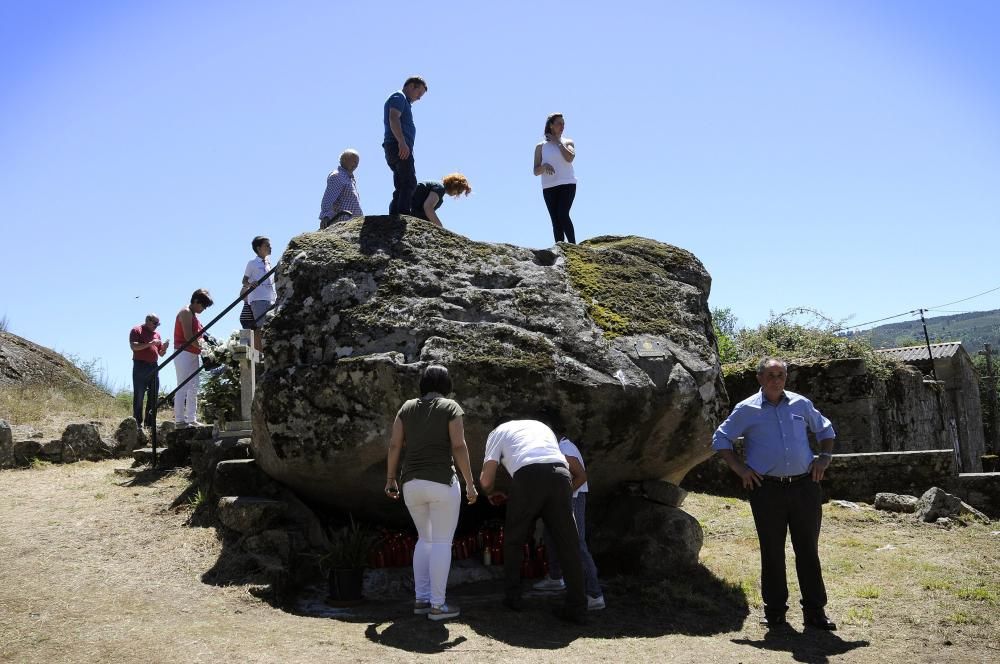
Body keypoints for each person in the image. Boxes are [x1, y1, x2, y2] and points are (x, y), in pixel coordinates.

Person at [712, 357, 838, 631]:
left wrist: (824, 457)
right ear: (760, 378)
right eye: (770, 374)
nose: (776, 379)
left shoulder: (800, 404)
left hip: (805, 486)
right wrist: (741, 469)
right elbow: (721, 439)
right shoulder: (747, 409)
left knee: (807, 549)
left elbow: (825, 429)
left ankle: (815, 611)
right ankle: (775, 612)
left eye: (780, 374)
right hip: (766, 489)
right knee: (772, 551)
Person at [385, 365, 478, 621]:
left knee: (424, 539)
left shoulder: (406, 407)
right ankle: (438, 606)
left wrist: (390, 478)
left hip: (411, 484)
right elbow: (458, 446)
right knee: (441, 542)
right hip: (441, 482)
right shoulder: (450, 408)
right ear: (446, 385)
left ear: (423, 385)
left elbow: (394, 445)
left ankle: (421, 599)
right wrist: (470, 483)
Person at [479, 417, 587, 623]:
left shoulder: (497, 433)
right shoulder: (541, 426)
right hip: (561, 474)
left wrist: (490, 493)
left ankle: (513, 597)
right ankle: (578, 607)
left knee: (514, 539)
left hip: (528, 475)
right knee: (568, 543)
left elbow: (486, 479)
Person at [533, 433, 605, 610]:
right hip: (562, 498)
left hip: (572, 498)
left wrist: (563, 496)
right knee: (550, 535)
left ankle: (594, 594)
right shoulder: (555, 447)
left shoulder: (564, 448)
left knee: (576, 543)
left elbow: (581, 476)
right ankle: (556, 578)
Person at [383, 76, 428, 215]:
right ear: (412, 86)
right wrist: (402, 142)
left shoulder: (404, 101)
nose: (419, 98)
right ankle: (403, 213)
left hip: (395, 145)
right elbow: (393, 117)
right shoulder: (399, 96)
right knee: (409, 182)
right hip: (398, 145)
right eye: (419, 93)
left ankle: (395, 214)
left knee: (401, 183)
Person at [533, 113, 577, 244]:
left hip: (567, 184)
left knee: (562, 214)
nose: (562, 126)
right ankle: (561, 249)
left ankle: (574, 246)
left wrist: (557, 141)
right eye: (559, 123)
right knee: (555, 219)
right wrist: (544, 166)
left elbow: (570, 158)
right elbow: (535, 170)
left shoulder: (568, 142)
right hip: (549, 187)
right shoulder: (540, 147)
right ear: (551, 125)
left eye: (563, 123)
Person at [173, 289, 214, 427]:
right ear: (196, 301)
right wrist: (205, 350)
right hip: (183, 352)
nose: (203, 309)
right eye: (202, 305)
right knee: (183, 385)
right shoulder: (185, 312)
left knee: (194, 385)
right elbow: (188, 336)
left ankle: (191, 418)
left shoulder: (194, 315)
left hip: (193, 353)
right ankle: (179, 419)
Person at [129, 314, 168, 428]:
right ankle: (137, 423)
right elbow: (134, 347)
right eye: (155, 323)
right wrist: (150, 343)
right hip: (140, 365)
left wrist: (164, 347)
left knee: (153, 395)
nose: (156, 326)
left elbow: (161, 353)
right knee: (139, 394)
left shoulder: (157, 334)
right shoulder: (137, 330)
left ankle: (150, 424)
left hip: (154, 366)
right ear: (148, 321)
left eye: (158, 324)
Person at [241, 236, 276, 352]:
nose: (270, 247)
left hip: (271, 298)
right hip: (258, 299)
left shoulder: (268, 263)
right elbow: (244, 281)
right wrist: (251, 283)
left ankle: (266, 352)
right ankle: (260, 354)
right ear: (259, 248)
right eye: (267, 245)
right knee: (260, 327)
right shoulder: (252, 263)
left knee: (269, 326)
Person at [318, 149, 363, 229]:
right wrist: (326, 217)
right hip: (342, 224)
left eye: (357, 162)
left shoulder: (348, 178)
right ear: (344, 160)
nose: (356, 164)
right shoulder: (337, 176)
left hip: (352, 223)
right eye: (354, 161)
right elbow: (328, 200)